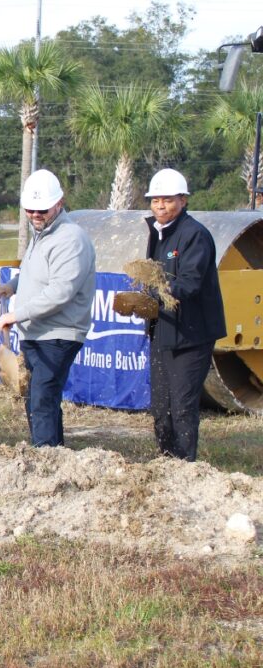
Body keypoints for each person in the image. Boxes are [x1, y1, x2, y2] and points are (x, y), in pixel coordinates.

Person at [0, 170, 96, 447]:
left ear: (59, 203)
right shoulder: (41, 234)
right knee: (38, 399)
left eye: (42, 210)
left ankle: (46, 456)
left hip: (58, 334)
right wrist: (13, 285)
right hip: (37, 333)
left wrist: (17, 314)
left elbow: (61, 291)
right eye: (30, 210)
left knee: (41, 398)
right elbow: (37, 272)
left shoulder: (70, 239)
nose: (35, 215)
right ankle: (53, 452)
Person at [142, 169, 225, 461]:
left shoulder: (194, 235)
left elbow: (190, 283)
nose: (161, 206)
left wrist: (154, 295)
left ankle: (185, 466)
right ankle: (166, 461)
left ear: (183, 200)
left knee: (182, 405)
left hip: (191, 334)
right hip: (162, 330)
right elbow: (153, 278)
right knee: (160, 406)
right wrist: (141, 300)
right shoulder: (157, 233)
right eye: (155, 201)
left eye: (167, 200)